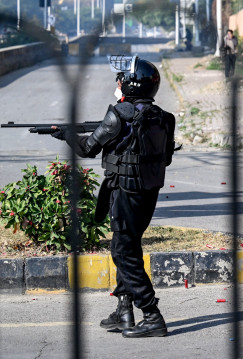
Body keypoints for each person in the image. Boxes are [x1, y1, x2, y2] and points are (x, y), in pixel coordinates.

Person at [51, 55, 176, 337]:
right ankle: (124, 311)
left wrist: (67, 135)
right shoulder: (164, 118)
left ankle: (152, 315)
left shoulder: (119, 115)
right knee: (127, 246)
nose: (117, 84)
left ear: (130, 84)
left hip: (125, 192)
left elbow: (88, 149)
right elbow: (165, 159)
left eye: (120, 80)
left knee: (123, 251)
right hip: (148, 192)